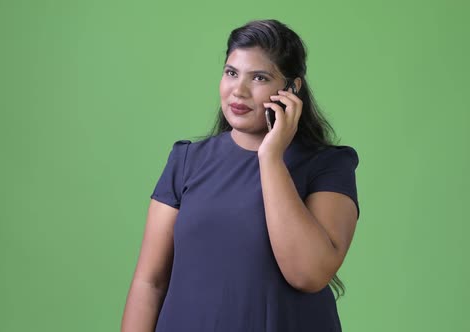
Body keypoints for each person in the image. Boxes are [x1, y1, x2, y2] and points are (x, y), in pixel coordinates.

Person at [121, 19, 360, 332]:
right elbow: (149, 283)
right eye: (231, 73)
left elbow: (308, 274)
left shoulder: (328, 165)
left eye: (259, 77)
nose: (239, 90)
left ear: (292, 88)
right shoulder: (187, 161)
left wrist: (271, 158)